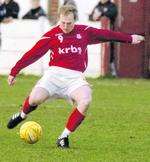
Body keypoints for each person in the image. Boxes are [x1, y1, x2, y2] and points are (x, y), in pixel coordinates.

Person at [7, 5, 144, 149]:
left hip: (75, 78)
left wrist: (130, 38)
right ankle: (22, 115)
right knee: (35, 98)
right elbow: (33, 53)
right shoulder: (52, 35)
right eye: (63, 23)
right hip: (53, 75)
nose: (65, 26)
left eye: (69, 23)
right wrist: (14, 71)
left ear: (75, 20)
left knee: (85, 100)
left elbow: (107, 34)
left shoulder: (84, 32)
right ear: (59, 20)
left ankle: (63, 136)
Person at [89, 0, 118, 76]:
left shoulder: (111, 5)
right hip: (98, 32)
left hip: (110, 32)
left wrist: (102, 14)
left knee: (110, 51)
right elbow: (91, 16)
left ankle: (112, 70)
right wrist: (93, 17)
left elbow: (113, 13)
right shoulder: (97, 6)